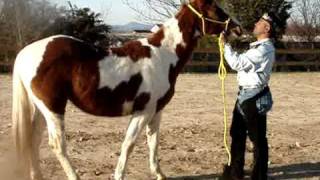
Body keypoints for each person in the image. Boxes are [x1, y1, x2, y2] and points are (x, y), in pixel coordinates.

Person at [220, 12, 278, 180]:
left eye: (259, 22)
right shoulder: (258, 47)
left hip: (254, 97)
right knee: (237, 134)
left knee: (257, 138)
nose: (255, 24)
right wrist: (230, 39)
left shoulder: (265, 49)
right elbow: (242, 57)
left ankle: (259, 175)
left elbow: (237, 62)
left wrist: (225, 45)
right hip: (246, 96)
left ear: (266, 28)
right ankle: (235, 173)